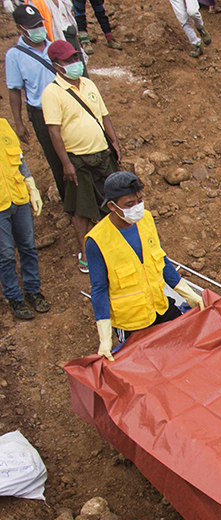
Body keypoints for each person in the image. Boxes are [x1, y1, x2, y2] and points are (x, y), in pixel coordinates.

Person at [85, 172, 205, 360]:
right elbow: (99, 289)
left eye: (139, 201)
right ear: (112, 206)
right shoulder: (97, 241)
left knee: (186, 350)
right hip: (132, 323)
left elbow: (160, 259)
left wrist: (187, 293)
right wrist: (105, 337)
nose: (137, 208)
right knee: (149, 366)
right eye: (129, 204)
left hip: (160, 306)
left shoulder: (146, 219)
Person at [42, 40, 120, 273]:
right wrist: (66, 163)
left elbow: (104, 116)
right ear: (57, 65)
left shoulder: (88, 84)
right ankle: (86, 254)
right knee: (82, 209)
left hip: (102, 154)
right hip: (78, 158)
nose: (75, 63)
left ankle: (114, 245)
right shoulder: (52, 93)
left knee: (112, 201)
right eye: (69, 60)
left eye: (76, 58)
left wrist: (114, 141)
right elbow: (53, 131)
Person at [6, 4, 64, 200]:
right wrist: (19, 124)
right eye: (33, 26)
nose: (38, 29)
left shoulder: (53, 46)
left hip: (65, 106)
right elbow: (14, 90)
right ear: (20, 29)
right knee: (56, 159)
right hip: (42, 113)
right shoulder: (14, 56)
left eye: (40, 24)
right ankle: (69, 201)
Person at [0, 115, 46, 321]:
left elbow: (19, 160)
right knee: (6, 254)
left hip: (18, 199)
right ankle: (13, 297)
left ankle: (32, 290)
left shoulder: (4, 126)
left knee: (28, 246)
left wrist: (31, 185)